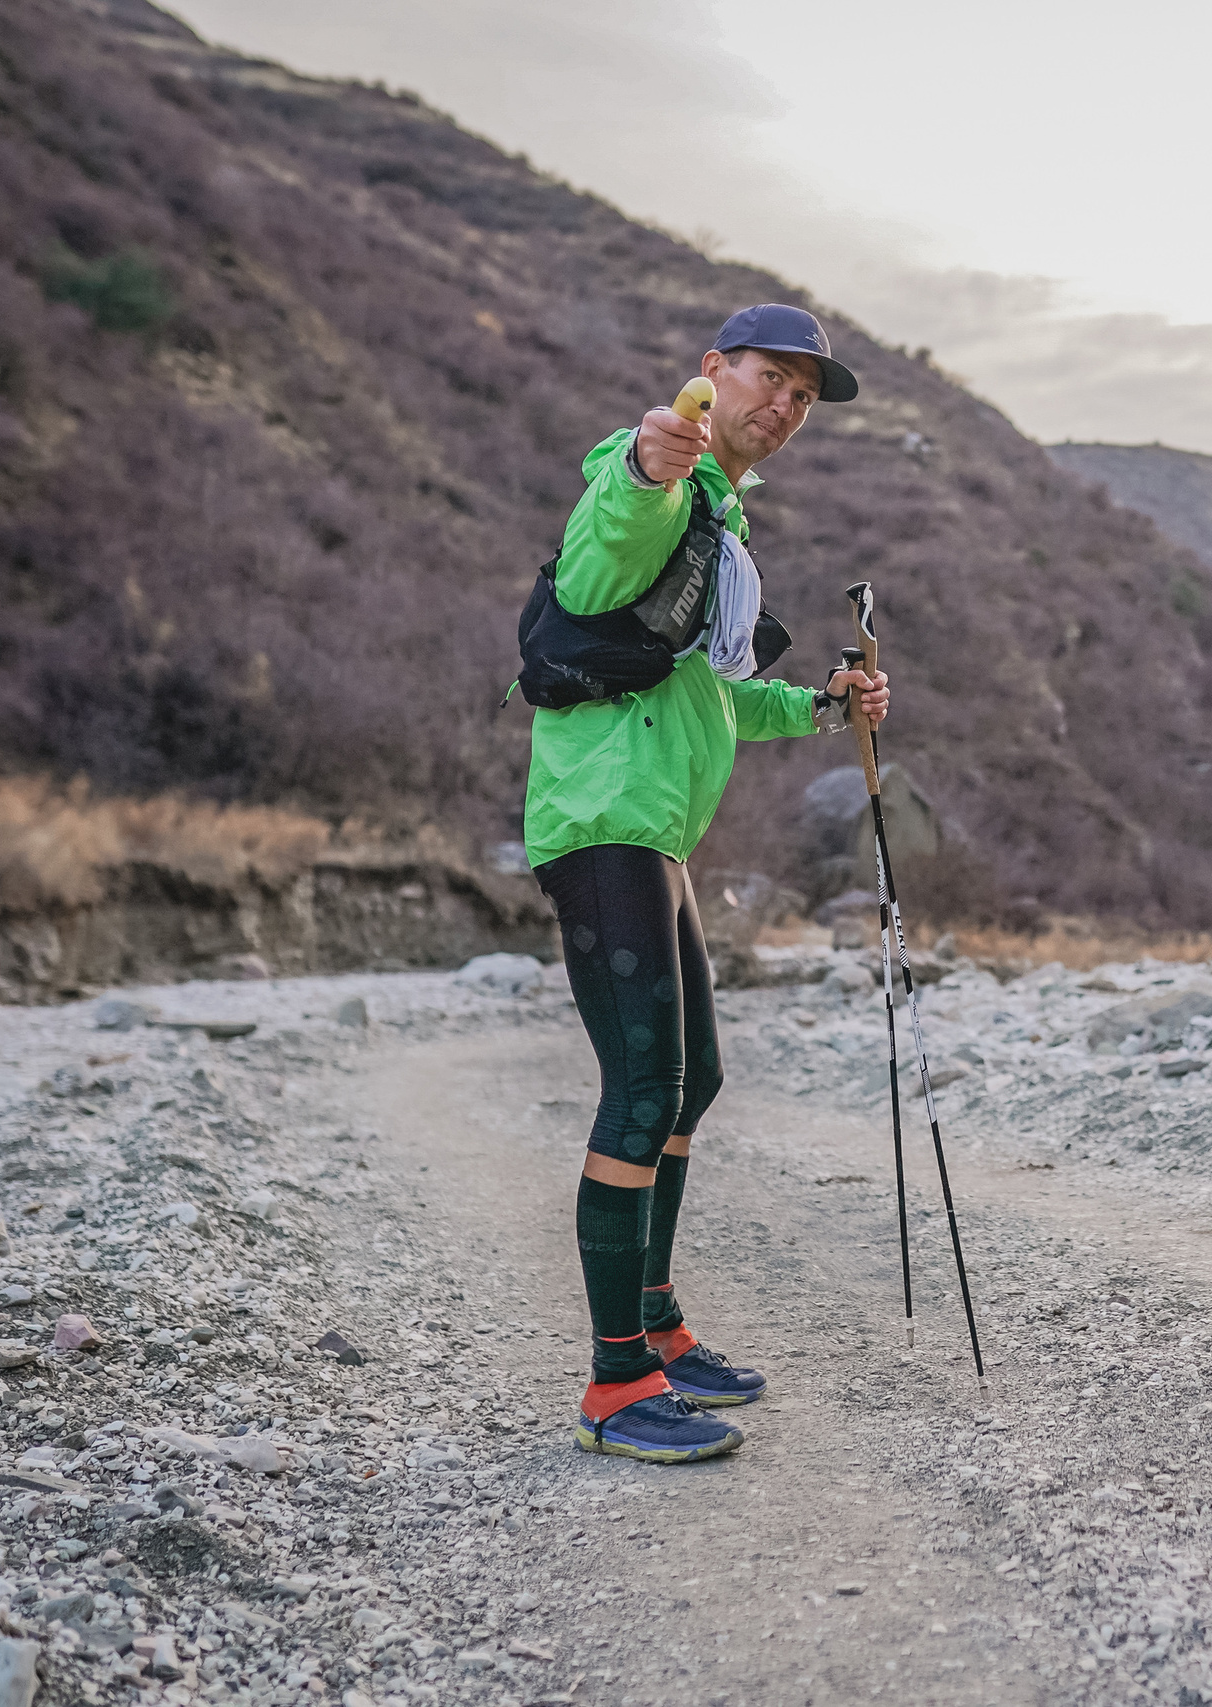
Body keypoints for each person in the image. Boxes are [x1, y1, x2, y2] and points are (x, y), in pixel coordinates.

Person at [527, 304, 888, 1463]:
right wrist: (644, 464)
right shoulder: (657, 482)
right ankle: (615, 1387)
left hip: (658, 829)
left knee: (694, 1080)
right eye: (767, 380)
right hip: (603, 819)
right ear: (710, 373)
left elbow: (717, 692)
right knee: (642, 1088)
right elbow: (597, 559)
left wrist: (828, 705)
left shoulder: (723, 518)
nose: (781, 407)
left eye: (800, 397)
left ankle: (658, 1323)